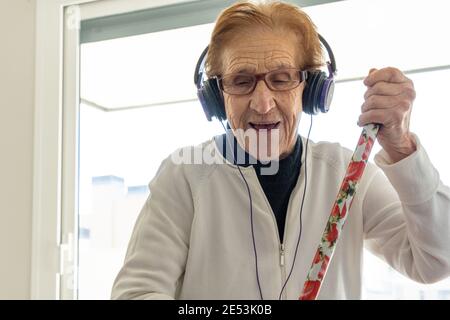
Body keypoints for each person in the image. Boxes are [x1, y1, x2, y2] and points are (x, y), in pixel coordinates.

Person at [111, 0, 450, 299]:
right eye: (241, 81)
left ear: (312, 89)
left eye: (282, 78)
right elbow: (137, 293)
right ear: (217, 96)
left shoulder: (347, 174)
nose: (262, 103)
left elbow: (438, 260)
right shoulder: (183, 176)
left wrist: (402, 147)